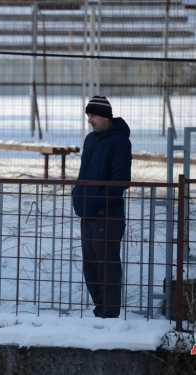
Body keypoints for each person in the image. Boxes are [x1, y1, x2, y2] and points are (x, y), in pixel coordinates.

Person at [72, 95, 132, 319]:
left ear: (106, 117)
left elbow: (121, 180)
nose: (90, 120)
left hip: (107, 214)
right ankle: (100, 311)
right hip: (87, 212)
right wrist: (79, 195)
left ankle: (110, 313)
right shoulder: (90, 139)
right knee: (91, 266)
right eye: (88, 115)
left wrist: (98, 200)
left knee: (106, 266)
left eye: (94, 115)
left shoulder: (119, 141)